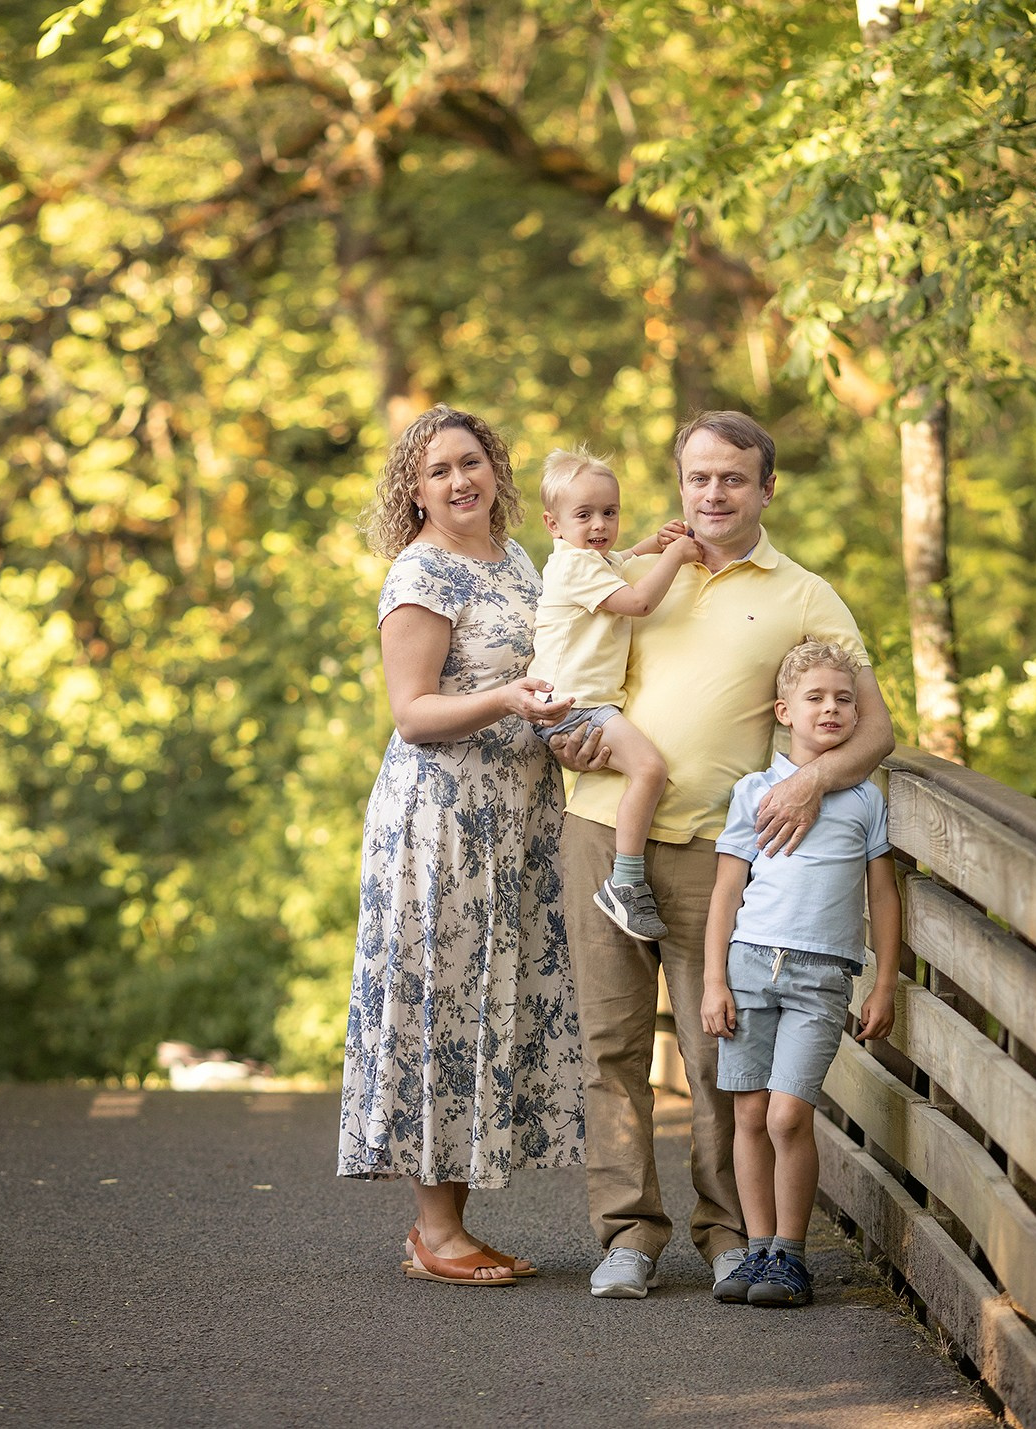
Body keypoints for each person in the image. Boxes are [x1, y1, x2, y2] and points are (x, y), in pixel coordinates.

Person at [549, 410, 894, 1300]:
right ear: (680, 481)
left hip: (720, 845)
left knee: (716, 1049)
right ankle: (626, 1235)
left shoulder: (805, 594)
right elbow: (570, 677)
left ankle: (728, 1234)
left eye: (733, 478)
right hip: (601, 827)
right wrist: (560, 734)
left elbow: (877, 728)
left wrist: (815, 782)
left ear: (766, 487)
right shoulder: (626, 570)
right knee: (611, 1045)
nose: (713, 493)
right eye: (698, 477)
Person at [336, 403, 586, 1287]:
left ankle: (453, 1225)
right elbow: (414, 714)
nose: (460, 480)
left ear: (497, 468)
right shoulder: (422, 573)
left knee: (490, 1001)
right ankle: (435, 1233)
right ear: (415, 488)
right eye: (439, 469)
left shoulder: (515, 558)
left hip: (516, 815)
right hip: (441, 822)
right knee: (443, 1005)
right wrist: (513, 699)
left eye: (471, 461)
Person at [702, 639, 902, 1307]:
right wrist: (713, 980)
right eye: (816, 697)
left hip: (820, 975)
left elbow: (883, 896)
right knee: (751, 1113)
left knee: (789, 1114)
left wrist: (884, 981)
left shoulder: (864, 799)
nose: (833, 708)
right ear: (785, 709)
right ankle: (759, 1252)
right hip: (749, 963)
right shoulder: (752, 792)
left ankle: (792, 1253)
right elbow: (727, 893)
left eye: (845, 698)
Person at [526, 447, 701, 943]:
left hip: (581, 702)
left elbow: (621, 561)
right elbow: (639, 601)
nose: (600, 524)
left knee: (644, 769)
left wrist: (650, 543)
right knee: (650, 769)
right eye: (584, 515)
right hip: (573, 705)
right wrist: (675, 554)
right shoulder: (574, 568)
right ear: (553, 523)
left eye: (610, 512)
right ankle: (625, 881)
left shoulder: (590, 560)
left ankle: (626, 877)